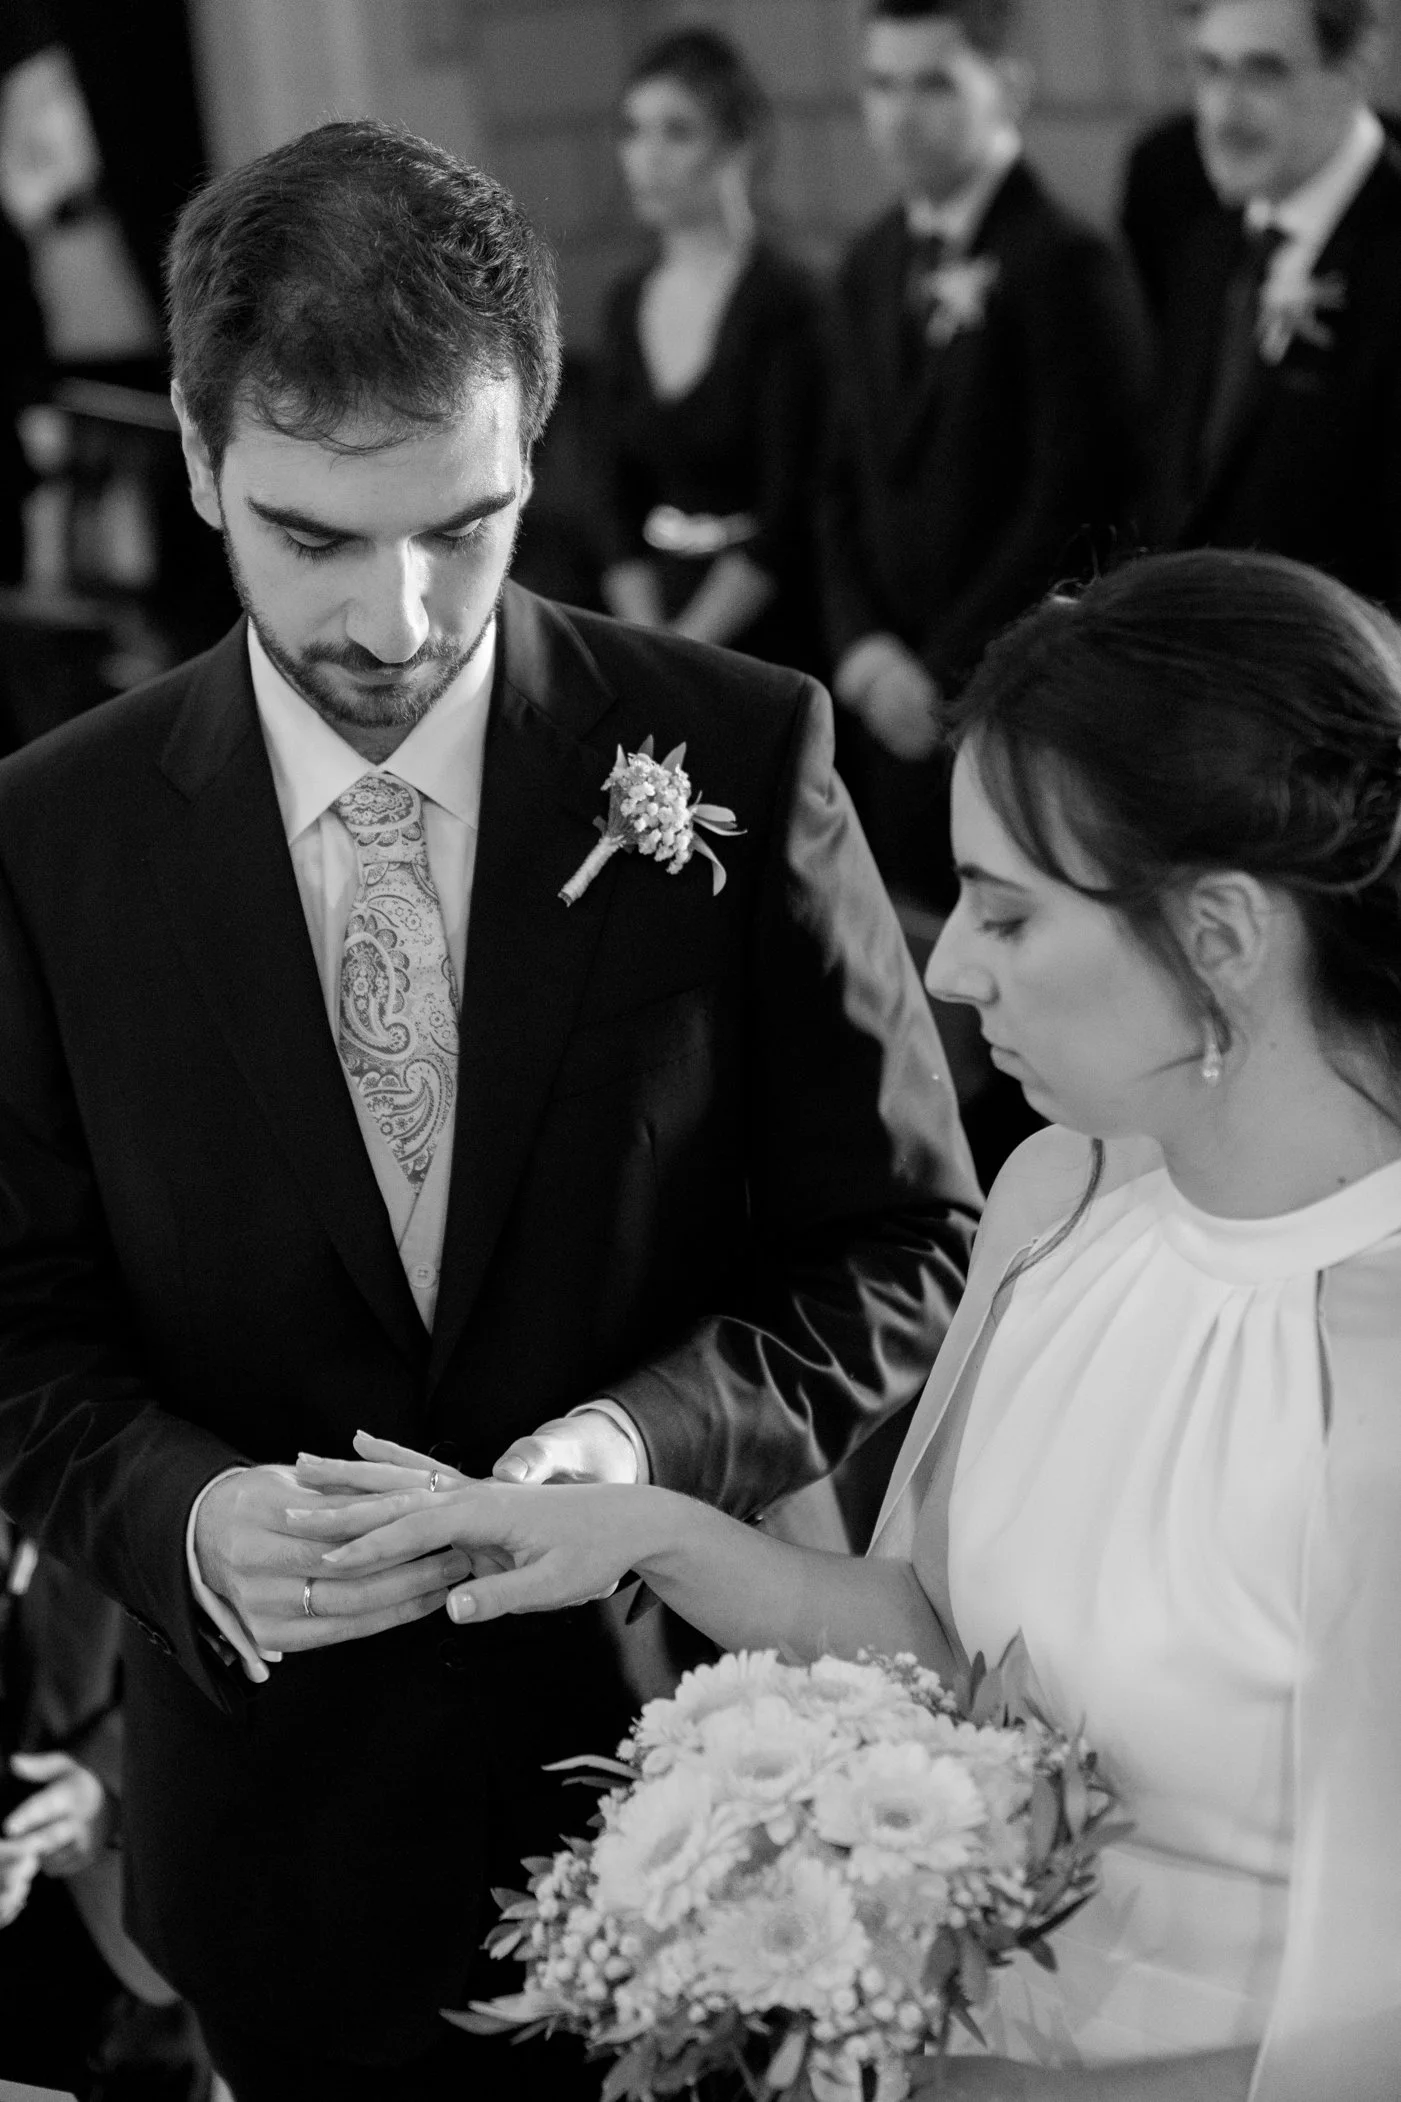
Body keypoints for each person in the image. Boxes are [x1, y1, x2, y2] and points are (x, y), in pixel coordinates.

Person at [0, 119, 980, 2100]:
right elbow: (20, 1331)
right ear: (194, 463)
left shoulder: (733, 747)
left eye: (466, 520)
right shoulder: (48, 836)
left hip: (710, 1805)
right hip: (271, 1845)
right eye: (313, 537)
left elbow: (909, 1240)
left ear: (535, 437)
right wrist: (186, 1514)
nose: (401, 617)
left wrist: (635, 1446)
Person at [302, 549, 1401, 2099]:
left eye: (1009, 917)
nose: (950, 969)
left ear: (1220, 936)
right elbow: (941, 1647)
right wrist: (644, 1527)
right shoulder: (1059, 1199)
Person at [819, 0, 1151, 915]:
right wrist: (864, 653)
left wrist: (946, 671)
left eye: (932, 82)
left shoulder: (1068, 262)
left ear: (1007, 87)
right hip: (882, 708)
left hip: (1014, 702)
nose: (898, 112)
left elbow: (1080, 500)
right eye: (880, 83)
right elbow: (839, 481)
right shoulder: (867, 262)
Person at [1144, 0, 1401, 612]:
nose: (1223, 113)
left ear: (1356, 68)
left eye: (1262, 72)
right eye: (1208, 70)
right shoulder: (1207, 242)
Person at [595, 28, 826, 674]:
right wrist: (647, 639)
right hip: (653, 624)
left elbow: (791, 511)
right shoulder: (625, 299)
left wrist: (690, 647)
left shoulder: (790, 300)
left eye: (676, 132)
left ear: (737, 144)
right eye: (632, 131)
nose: (645, 158)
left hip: (769, 630)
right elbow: (611, 498)